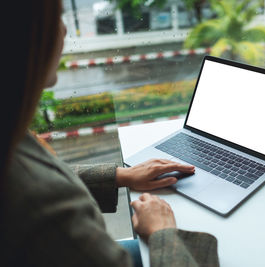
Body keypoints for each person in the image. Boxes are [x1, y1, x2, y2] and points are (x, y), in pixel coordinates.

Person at [0, 1, 219, 266]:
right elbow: (45, 190)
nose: (65, 29)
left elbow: (45, 174)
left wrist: (121, 175)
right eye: (57, 17)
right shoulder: (43, 211)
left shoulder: (12, 134)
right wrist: (164, 233)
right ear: (25, 37)